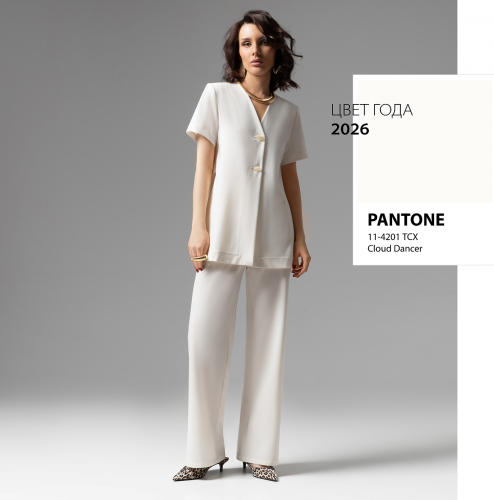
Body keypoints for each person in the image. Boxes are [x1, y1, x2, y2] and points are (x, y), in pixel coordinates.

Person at [173, 10, 311, 483]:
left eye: (264, 42)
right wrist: (198, 227)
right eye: (246, 43)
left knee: (269, 344)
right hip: (221, 233)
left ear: (276, 51)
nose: (255, 50)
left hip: (274, 233)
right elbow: (204, 169)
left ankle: (259, 453)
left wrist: (301, 237)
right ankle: (202, 452)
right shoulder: (216, 97)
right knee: (202, 340)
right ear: (237, 51)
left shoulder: (289, 114)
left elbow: (290, 179)